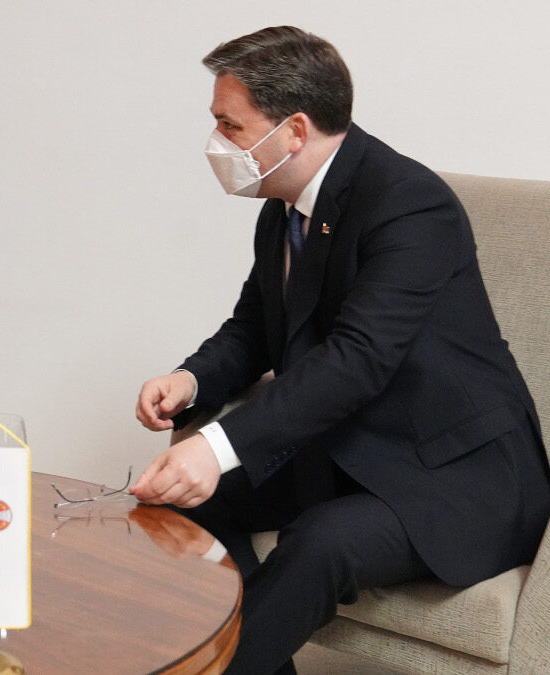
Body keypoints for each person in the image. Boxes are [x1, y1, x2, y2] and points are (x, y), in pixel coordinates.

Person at [131, 26, 550, 674]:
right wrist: (190, 379)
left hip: (457, 478)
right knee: (179, 503)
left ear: (294, 131)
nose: (216, 141)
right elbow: (254, 328)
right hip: (349, 451)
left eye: (230, 125)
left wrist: (215, 447)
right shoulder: (283, 209)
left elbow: (356, 359)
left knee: (319, 542)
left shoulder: (410, 204)